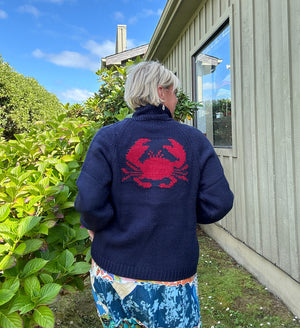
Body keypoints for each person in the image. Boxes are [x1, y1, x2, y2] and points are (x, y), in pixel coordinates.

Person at [75, 61, 234, 328]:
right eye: (174, 93)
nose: (175, 99)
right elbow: (219, 202)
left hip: (113, 272)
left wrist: (94, 225)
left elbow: (89, 202)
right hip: (173, 275)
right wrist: (184, 211)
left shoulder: (107, 137)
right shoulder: (193, 140)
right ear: (161, 91)